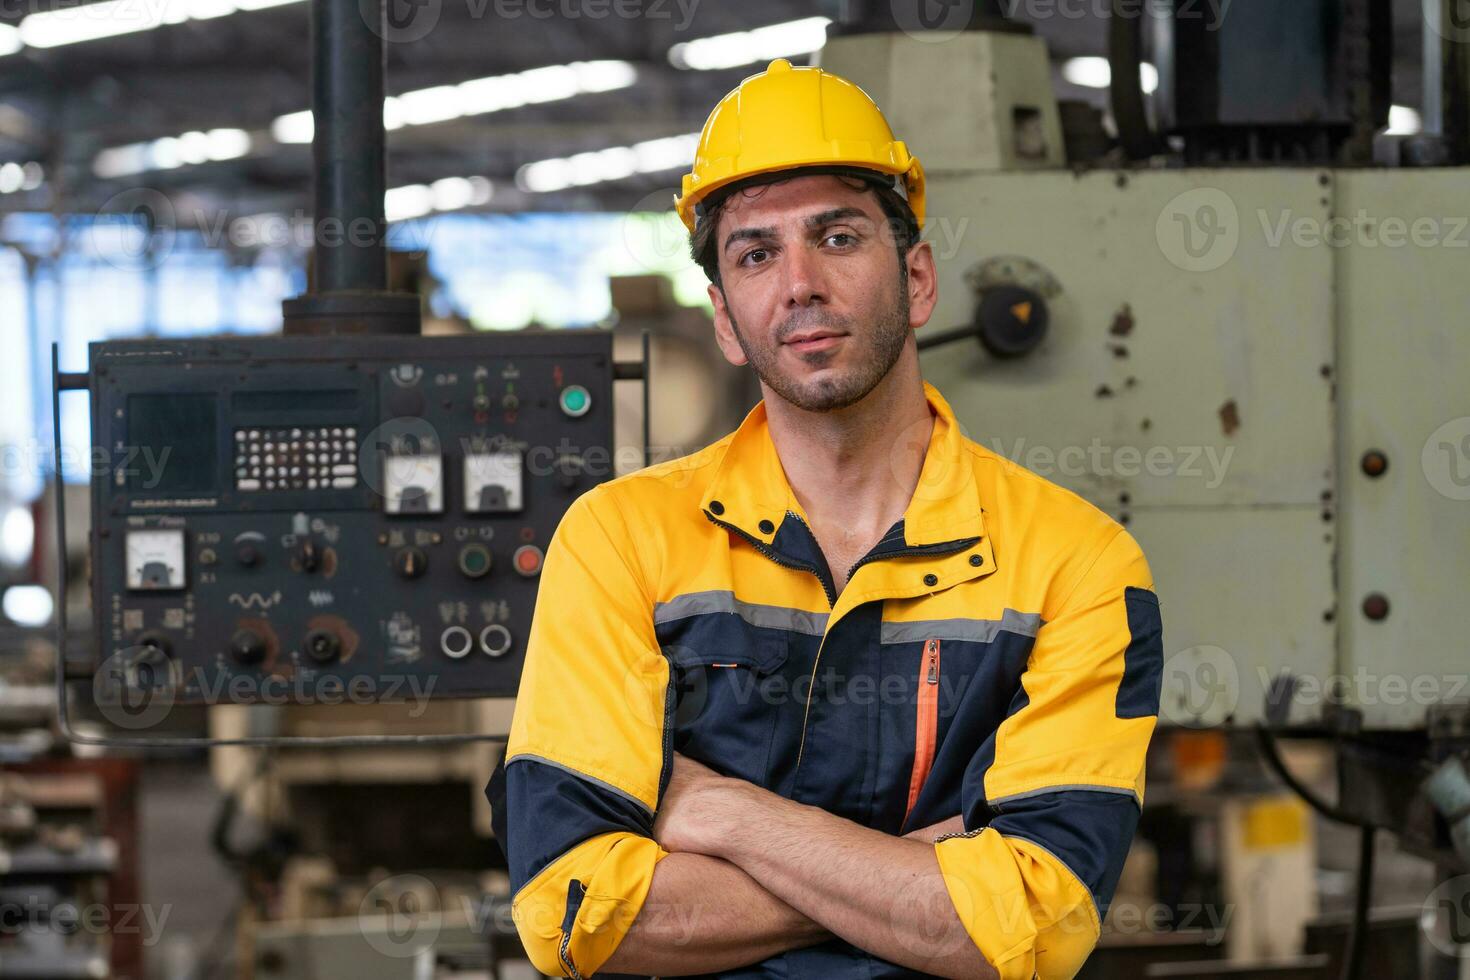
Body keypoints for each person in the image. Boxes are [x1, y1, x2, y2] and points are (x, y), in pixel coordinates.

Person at [488, 58, 1164, 979]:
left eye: (838, 238)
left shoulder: (1073, 564)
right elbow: (572, 912)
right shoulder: (621, 539)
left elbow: (1037, 925)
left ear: (917, 279)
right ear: (725, 321)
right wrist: (923, 877)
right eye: (755, 254)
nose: (799, 283)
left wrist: (726, 817)